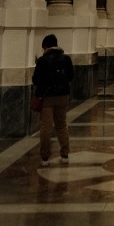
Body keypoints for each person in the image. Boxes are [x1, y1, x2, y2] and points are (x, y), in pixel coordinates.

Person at [32, 33, 74, 167]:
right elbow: (71, 76)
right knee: (61, 125)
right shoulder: (66, 59)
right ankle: (65, 155)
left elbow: (36, 80)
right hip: (63, 96)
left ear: (45, 46)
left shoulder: (42, 61)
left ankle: (45, 158)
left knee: (46, 127)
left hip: (47, 97)